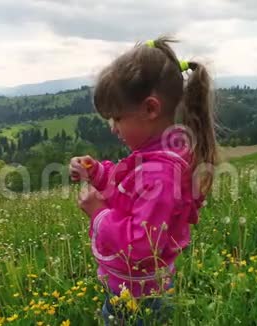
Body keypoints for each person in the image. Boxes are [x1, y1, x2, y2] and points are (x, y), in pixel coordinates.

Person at [69, 36, 218, 325]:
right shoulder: (159, 157)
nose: (114, 129)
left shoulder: (160, 174)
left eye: (117, 118)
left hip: (138, 295)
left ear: (150, 109)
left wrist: (98, 214)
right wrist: (96, 171)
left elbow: (141, 246)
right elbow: (127, 190)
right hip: (138, 287)